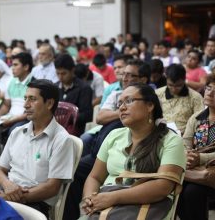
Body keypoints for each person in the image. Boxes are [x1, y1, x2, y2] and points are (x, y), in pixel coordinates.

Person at [81, 84, 186, 220]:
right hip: (105, 207)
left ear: (149, 105)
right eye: (120, 103)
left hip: (146, 209)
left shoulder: (170, 141)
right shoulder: (114, 136)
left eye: (129, 101)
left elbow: (163, 186)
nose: (122, 107)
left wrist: (113, 198)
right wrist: (90, 199)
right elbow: (95, 177)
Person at [0, 79, 75, 217]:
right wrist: (7, 185)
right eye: (25, 98)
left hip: (35, 203)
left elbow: (52, 188)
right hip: (6, 195)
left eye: (32, 99)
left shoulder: (61, 139)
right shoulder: (17, 132)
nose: (25, 105)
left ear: (49, 103)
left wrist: (11, 197)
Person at [177, 74, 215, 220]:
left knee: (192, 192)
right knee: (174, 189)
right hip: (194, 169)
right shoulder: (197, 118)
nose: (210, 93)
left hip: (210, 170)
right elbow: (186, 142)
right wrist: (188, 155)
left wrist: (200, 158)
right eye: (209, 88)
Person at [156, 64, 204, 135]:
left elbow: (200, 121)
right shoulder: (157, 94)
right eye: (170, 85)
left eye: (178, 86)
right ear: (166, 79)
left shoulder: (195, 97)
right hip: (159, 134)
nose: (174, 89)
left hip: (184, 136)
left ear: (184, 80)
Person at [0, 52, 34, 130]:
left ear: (26, 67)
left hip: (27, 119)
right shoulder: (11, 82)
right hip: (11, 117)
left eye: (15, 65)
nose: (12, 68)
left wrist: (12, 120)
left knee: (14, 130)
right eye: (12, 65)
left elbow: (31, 111)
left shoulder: (34, 84)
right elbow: (7, 105)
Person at [55, 54, 93, 135]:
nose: (60, 77)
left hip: (74, 128)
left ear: (72, 71)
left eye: (64, 73)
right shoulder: (55, 87)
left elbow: (87, 115)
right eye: (58, 73)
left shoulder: (84, 88)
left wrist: (65, 117)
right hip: (55, 126)